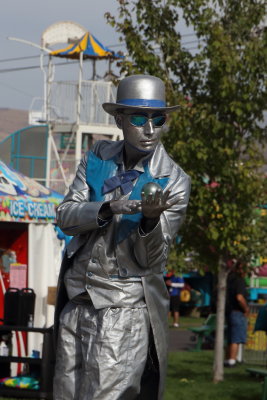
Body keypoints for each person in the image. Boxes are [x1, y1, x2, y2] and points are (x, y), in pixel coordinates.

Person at [53, 74, 191, 400]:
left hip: (121, 314)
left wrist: (150, 221)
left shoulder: (173, 181)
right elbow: (65, 216)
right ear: (119, 119)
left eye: (158, 119)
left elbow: (151, 261)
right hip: (76, 305)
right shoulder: (97, 156)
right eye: (139, 118)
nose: (150, 129)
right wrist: (106, 208)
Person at [224, 262, 249, 367]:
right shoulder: (240, 281)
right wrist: (246, 308)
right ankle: (232, 360)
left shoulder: (229, 280)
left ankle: (227, 358)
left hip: (229, 311)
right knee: (236, 338)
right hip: (237, 312)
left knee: (230, 337)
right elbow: (239, 297)